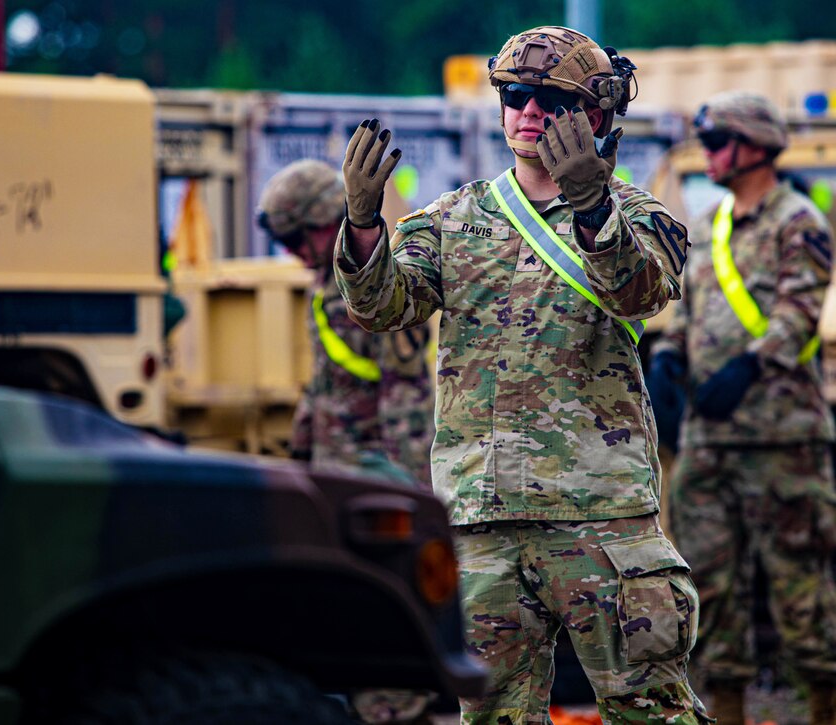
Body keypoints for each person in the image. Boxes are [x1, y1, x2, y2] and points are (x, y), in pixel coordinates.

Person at [334, 26, 710, 724]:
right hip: (482, 516)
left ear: (594, 116)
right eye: (513, 96)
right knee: (494, 714)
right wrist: (361, 227)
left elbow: (640, 293)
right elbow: (384, 307)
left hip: (599, 515)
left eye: (548, 99)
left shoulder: (639, 215)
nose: (527, 112)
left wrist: (591, 203)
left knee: (649, 708)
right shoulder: (453, 218)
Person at [648, 91, 836, 725]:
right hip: (710, 441)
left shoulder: (798, 221)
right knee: (710, 595)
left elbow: (799, 312)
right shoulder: (708, 226)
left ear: (756, 146)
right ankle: (725, 710)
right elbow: (689, 311)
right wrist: (669, 354)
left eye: (719, 140)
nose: (710, 153)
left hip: (782, 438)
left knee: (801, 594)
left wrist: (751, 364)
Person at [257, 158, 435, 488]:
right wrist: (301, 451)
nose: (293, 252)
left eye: (296, 240)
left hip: (373, 474)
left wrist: (412, 489)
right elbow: (326, 379)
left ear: (325, 221)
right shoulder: (326, 283)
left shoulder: (378, 288)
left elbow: (406, 396)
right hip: (332, 468)